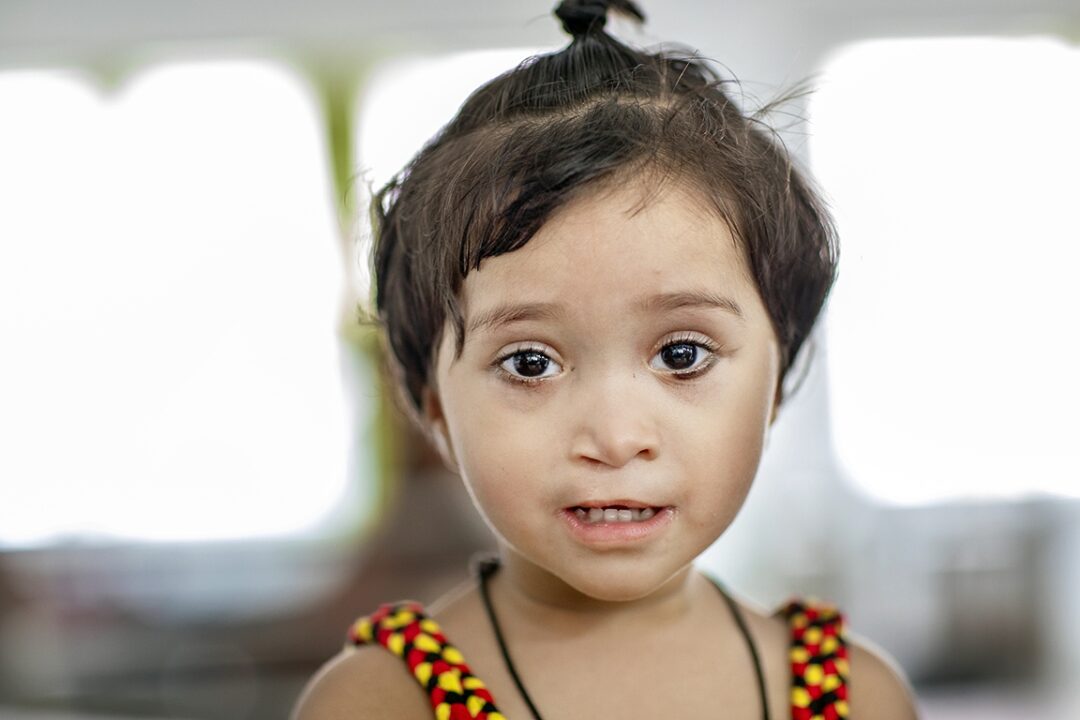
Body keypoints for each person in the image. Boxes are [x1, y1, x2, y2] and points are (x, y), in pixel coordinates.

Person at [293, 1, 920, 718]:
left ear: (777, 382)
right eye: (530, 363)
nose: (617, 438)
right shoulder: (377, 703)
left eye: (682, 354)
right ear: (431, 404)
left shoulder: (859, 697)